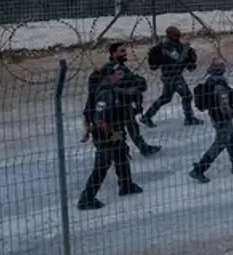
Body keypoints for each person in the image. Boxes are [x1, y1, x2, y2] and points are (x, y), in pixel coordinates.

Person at [77, 65, 144, 209]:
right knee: (102, 166)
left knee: (121, 157)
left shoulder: (110, 91)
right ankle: (86, 198)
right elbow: (100, 121)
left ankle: (126, 185)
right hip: (105, 136)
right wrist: (112, 133)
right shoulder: (106, 94)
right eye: (118, 74)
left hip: (114, 132)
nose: (121, 76)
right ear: (109, 77)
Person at [89, 43, 160, 157]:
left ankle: (141, 148)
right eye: (122, 51)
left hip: (124, 104)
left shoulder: (119, 66)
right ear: (114, 53)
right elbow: (123, 85)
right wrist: (135, 86)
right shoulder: (113, 68)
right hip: (115, 107)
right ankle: (115, 152)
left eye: (124, 51)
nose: (125, 53)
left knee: (133, 129)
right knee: (119, 131)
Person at [188, 62, 233, 183]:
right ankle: (199, 169)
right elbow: (225, 107)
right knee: (220, 143)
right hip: (221, 118)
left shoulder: (212, 82)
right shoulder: (219, 85)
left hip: (219, 117)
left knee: (232, 138)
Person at [140, 26, 200, 127]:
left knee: (166, 98)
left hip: (173, 75)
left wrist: (190, 61)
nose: (178, 35)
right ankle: (189, 118)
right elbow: (156, 64)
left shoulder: (176, 46)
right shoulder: (164, 47)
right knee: (187, 95)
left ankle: (147, 116)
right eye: (175, 34)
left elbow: (184, 59)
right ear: (170, 34)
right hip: (172, 76)